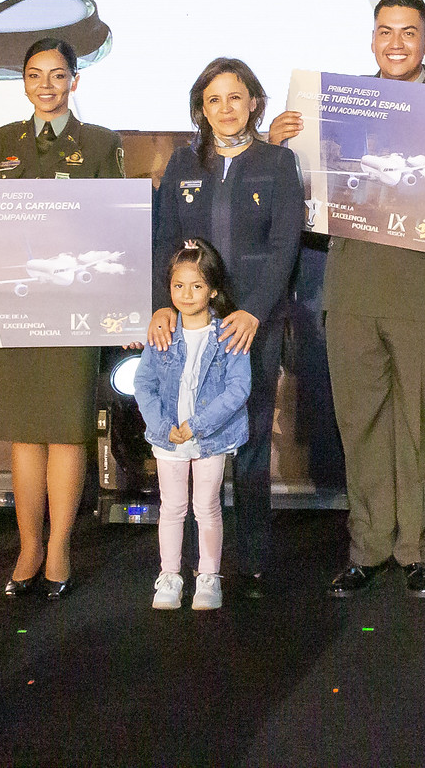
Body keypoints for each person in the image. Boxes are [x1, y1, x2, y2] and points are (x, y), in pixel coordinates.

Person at [265, 0, 425, 599]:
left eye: (408, 32)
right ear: (372, 40)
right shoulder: (336, 104)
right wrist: (280, 146)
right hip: (354, 289)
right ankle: (367, 547)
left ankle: (417, 549)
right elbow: (299, 193)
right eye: (385, 31)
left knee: (420, 425)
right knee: (359, 425)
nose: (396, 43)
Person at [145, 57, 304, 598]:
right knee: (190, 436)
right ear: (201, 109)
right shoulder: (182, 163)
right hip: (192, 325)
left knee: (251, 441)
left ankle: (252, 560)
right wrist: (162, 305)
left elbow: (285, 245)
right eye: (214, 99)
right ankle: (189, 568)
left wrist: (254, 310)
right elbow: (165, 240)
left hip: (251, 325)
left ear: (254, 102)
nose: (226, 108)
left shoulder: (278, 162)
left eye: (235, 97)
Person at [0, 37, 124, 600]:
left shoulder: (100, 142)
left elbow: (116, 228)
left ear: (74, 80)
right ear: (23, 81)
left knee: (67, 433)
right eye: (35, 74)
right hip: (17, 304)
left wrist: (119, 310)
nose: (47, 84)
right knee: (24, 433)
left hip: (75, 304)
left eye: (58, 74)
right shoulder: (1, 141)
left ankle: (60, 547)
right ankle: (28, 548)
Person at [136, 239, 254, 611]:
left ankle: (208, 576)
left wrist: (199, 423)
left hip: (210, 439)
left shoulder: (227, 335)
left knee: (207, 506)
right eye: (179, 286)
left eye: (197, 286)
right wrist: (161, 426)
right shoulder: (162, 333)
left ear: (213, 289)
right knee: (172, 507)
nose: (186, 295)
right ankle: (170, 575)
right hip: (169, 439)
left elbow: (239, 388)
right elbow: (143, 383)